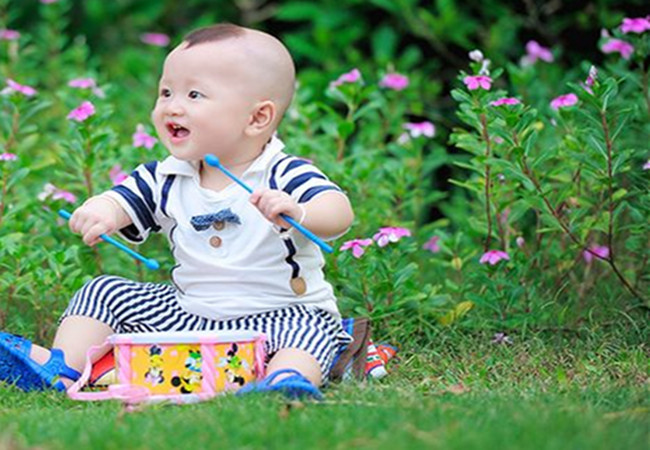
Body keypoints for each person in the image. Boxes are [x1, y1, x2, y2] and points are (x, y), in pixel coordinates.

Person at [0, 23, 355, 399]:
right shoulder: (167, 175)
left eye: (194, 94)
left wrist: (298, 210)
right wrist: (100, 210)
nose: (172, 105)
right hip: (190, 311)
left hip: (279, 312)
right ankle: (60, 365)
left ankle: (286, 380)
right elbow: (122, 199)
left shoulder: (281, 171)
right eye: (166, 92)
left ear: (257, 118)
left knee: (310, 329)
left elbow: (337, 212)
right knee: (103, 290)